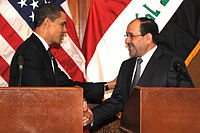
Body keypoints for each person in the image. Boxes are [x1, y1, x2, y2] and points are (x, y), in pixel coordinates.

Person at [83, 17, 194, 129]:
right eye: (126, 36)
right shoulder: (127, 66)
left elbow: (187, 101)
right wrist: (93, 115)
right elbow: (117, 101)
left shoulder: (171, 63)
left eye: (131, 36)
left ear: (148, 38)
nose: (127, 40)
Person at [9, 3, 115, 101]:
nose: (65, 30)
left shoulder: (42, 51)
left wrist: (109, 85)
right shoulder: (30, 52)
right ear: (47, 23)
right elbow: (39, 95)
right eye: (62, 24)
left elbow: (68, 86)